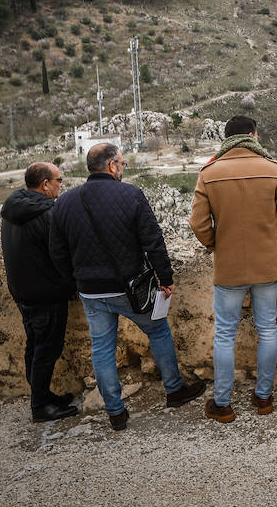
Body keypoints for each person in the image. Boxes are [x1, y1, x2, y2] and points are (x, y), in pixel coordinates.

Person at [49, 142, 205, 430]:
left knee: (102, 350)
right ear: (112, 166)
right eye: (121, 163)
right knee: (158, 330)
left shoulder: (65, 202)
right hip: (129, 288)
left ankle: (115, 412)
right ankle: (174, 390)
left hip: (91, 292)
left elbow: (57, 252)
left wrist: (75, 282)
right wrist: (166, 278)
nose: (122, 168)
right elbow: (153, 241)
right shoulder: (131, 194)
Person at [189, 115, 277, 422]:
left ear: (225, 138)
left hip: (228, 267)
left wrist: (217, 245)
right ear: (254, 135)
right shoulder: (273, 169)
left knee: (225, 334)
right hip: (267, 264)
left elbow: (198, 224)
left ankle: (223, 404)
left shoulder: (209, 173)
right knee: (267, 328)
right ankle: (264, 397)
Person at [0, 161, 78, 422]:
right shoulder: (47, 214)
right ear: (45, 184)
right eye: (59, 180)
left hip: (23, 291)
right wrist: (71, 284)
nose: (61, 185)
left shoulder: (14, 208)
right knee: (47, 348)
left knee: (35, 344)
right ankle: (40, 406)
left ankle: (42, 394)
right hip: (46, 292)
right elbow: (61, 254)